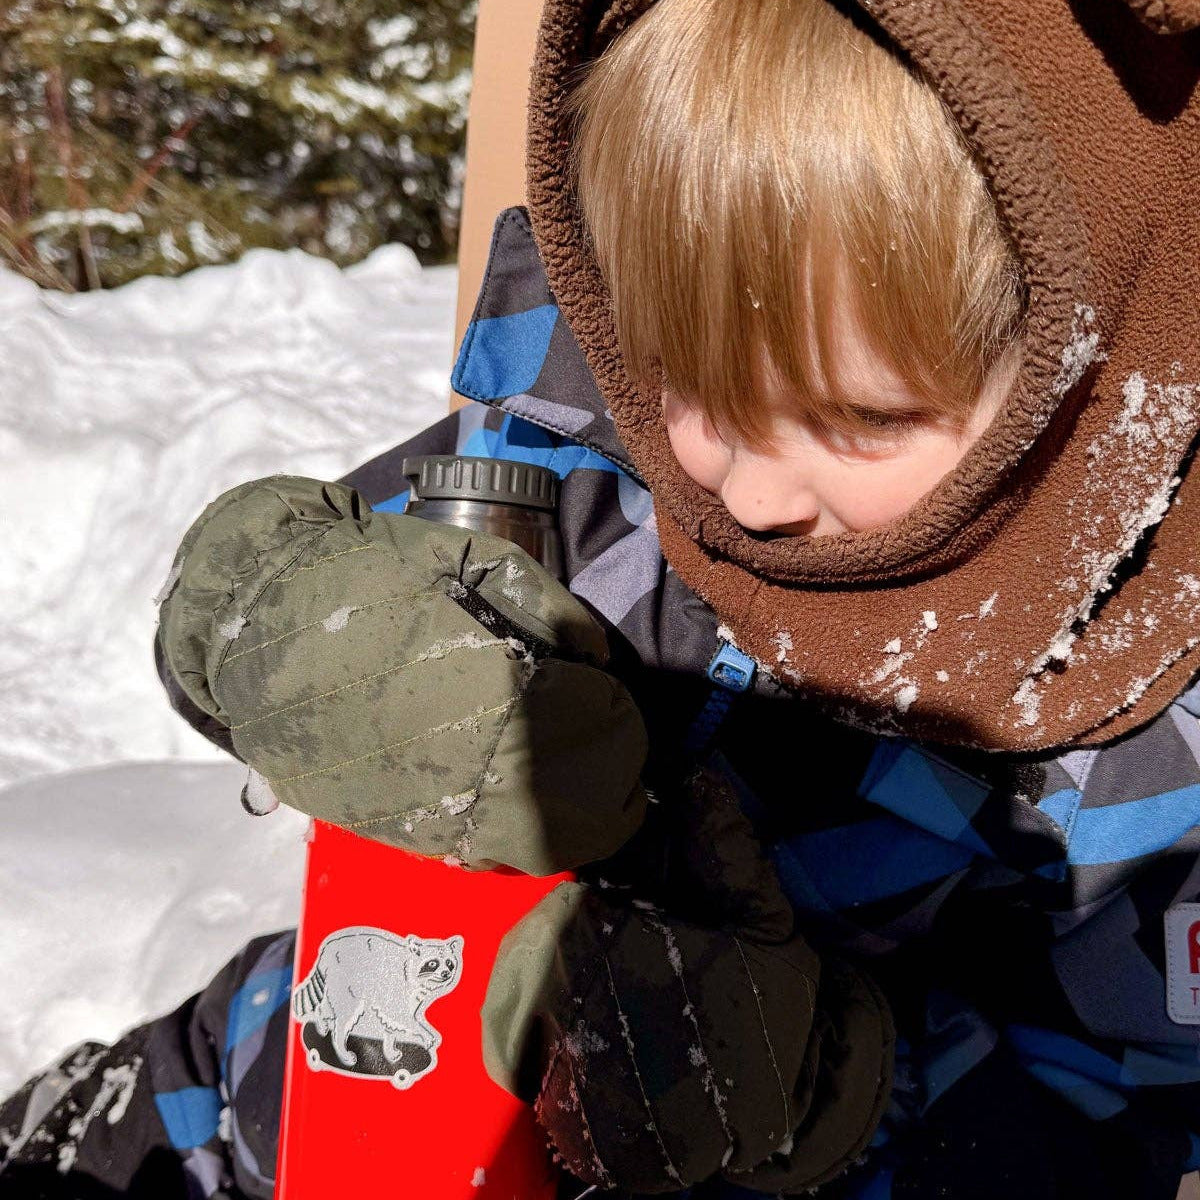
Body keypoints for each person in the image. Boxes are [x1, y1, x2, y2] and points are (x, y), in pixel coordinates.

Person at [4, 0, 1200, 1197]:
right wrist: (284, 630)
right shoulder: (586, 471)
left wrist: (839, 1090)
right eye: (691, 382)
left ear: (1091, 373)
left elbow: (1120, 1138)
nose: (746, 486)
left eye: (859, 418)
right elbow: (278, 606)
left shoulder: (1144, 759)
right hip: (277, 1088)